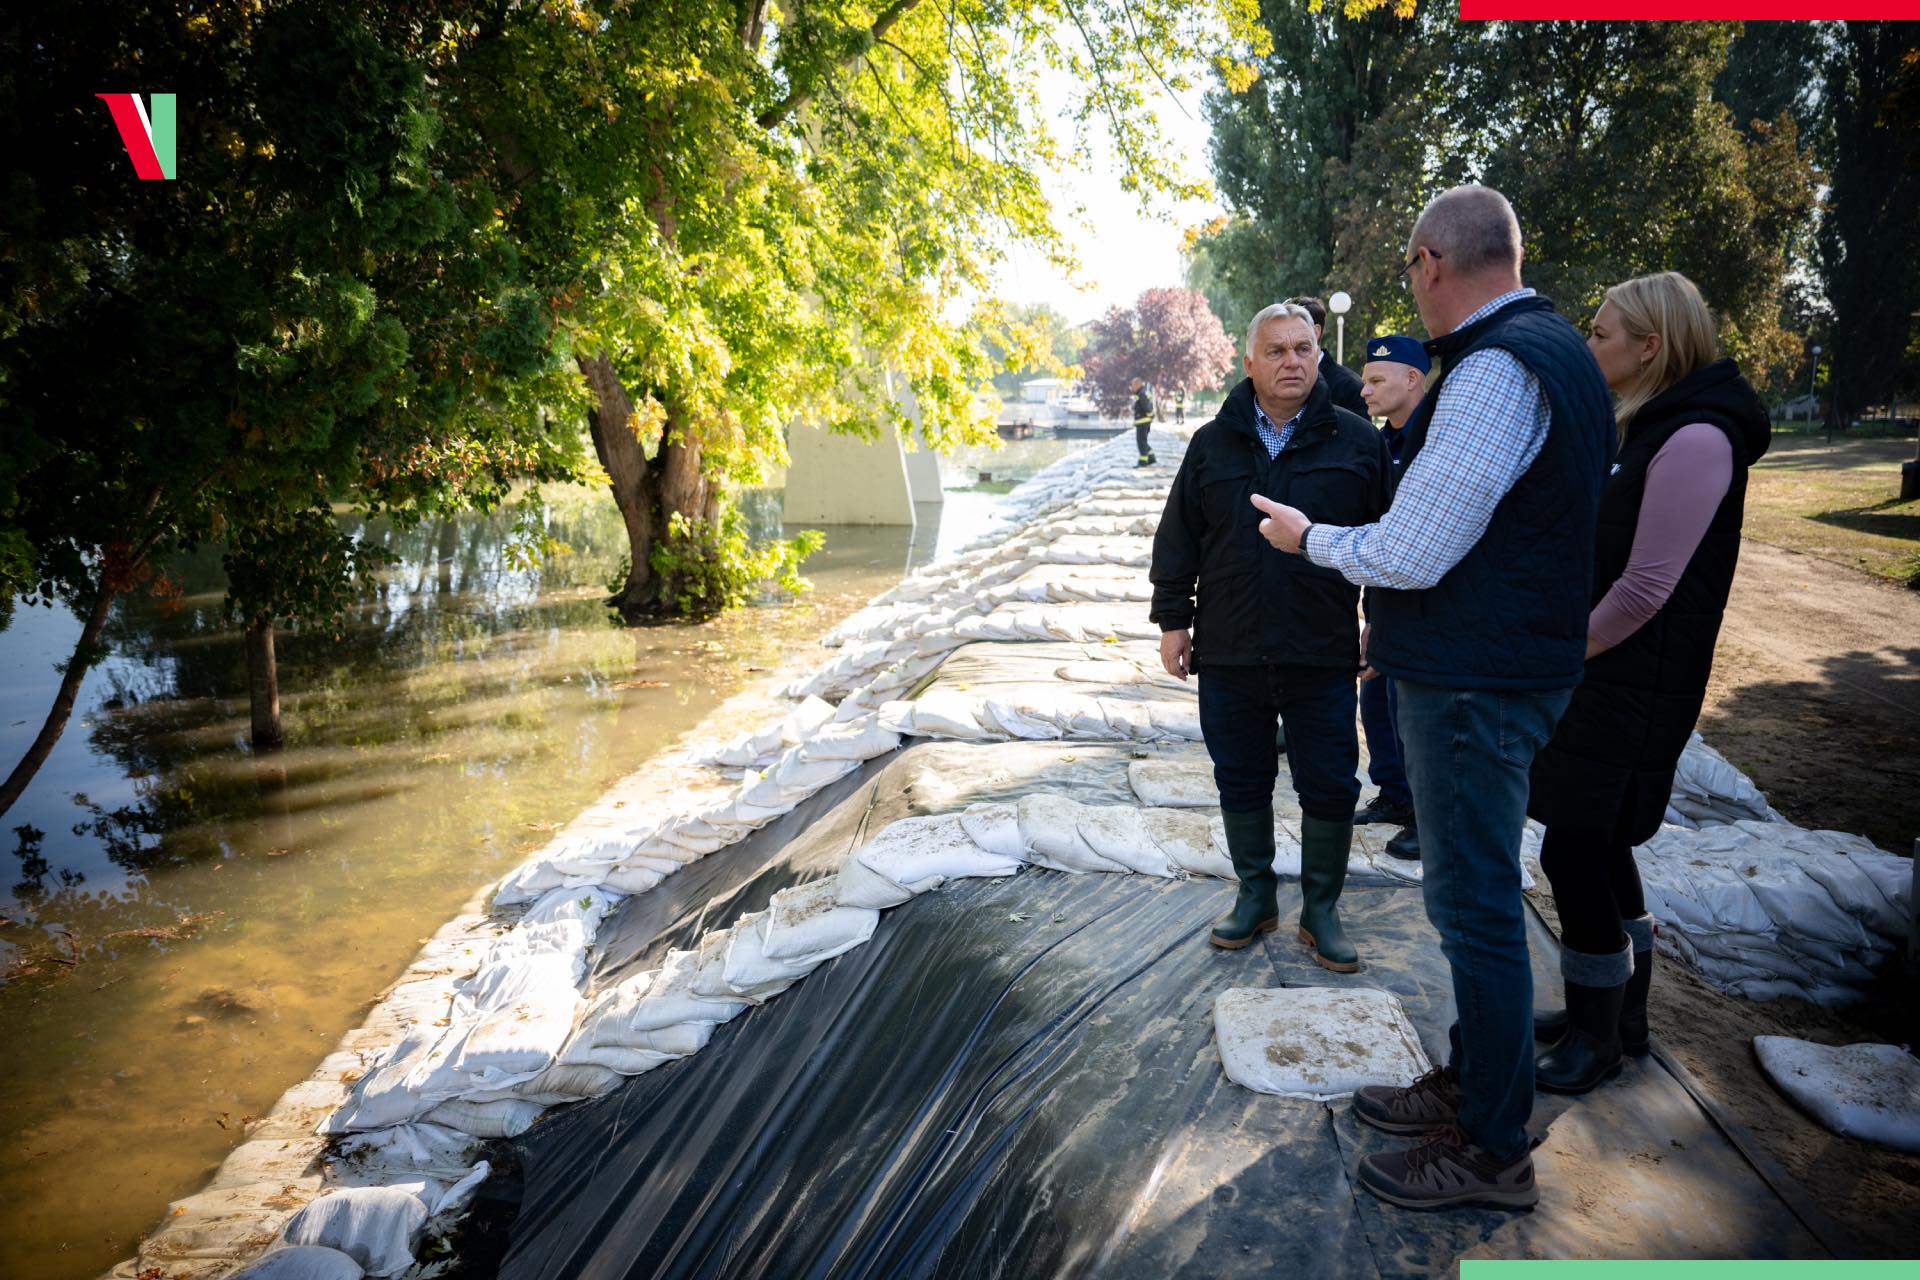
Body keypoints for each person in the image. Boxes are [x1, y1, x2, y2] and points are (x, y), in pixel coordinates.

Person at [1250, 185, 1613, 1210]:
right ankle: (1474, 1081)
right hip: (1500, 664)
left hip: (1474, 684)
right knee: (1479, 902)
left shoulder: (1497, 369)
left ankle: (1493, 1146)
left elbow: (1414, 547)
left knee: (1478, 909)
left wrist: (1308, 540)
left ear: (1428, 263)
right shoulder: (1554, 352)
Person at [1526, 272, 1771, 1094]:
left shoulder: (1698, 437)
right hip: (1611, 675)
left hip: (1635, 682)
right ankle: (1617, 1013)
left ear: (1650, 345)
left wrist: (1560, 654)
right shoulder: (1651, 425)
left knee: (1574, 848)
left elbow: (1645, 589)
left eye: (1601, 333)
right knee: (1598, 843)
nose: (1590, 345)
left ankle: (1598, 1035)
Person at [1150, 303, 1391, 969]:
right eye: (1277, 351)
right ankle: (1256, 895)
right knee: (1241, 776)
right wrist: (1174, 620)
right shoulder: (1212, 444)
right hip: (1228, 647)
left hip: (1320, 648)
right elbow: (1179, 539)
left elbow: (1388, 541)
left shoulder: (1357, 442)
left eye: (1303, 350)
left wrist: (1381, 623)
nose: (1292, 362)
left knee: (1331, 783)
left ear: (1319, 358)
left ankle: (1321, 909)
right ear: (1249, 362)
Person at [1351, 336, 1429, 837]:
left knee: (1414, 713)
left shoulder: (1437, 441)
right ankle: (1395, 795)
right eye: (1365, 380)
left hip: (1425, 605)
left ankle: (1427, 816)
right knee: (1375, 701)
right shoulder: (1382, 442)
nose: (1365, 390)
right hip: (1384, 598)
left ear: (1413, 380)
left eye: (1377, 380)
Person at [1286, 295, 1371, 418]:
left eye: (1290, 329)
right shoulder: (1280, 377)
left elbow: (1361, 435)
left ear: (1315, 332)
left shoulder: (1349, 386)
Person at [1132, 378, 1156, 467]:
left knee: (1141, 442)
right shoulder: (1143, 392)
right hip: (1144, 421)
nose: (1132, 387)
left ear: (1137, 384)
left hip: (1143, 421)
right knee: (1143, 441)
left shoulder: (1141, 393)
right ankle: (1151, 457)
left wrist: (1150, 416)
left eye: (1133, 385)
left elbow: (1146, 407)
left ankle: (1143, 462)